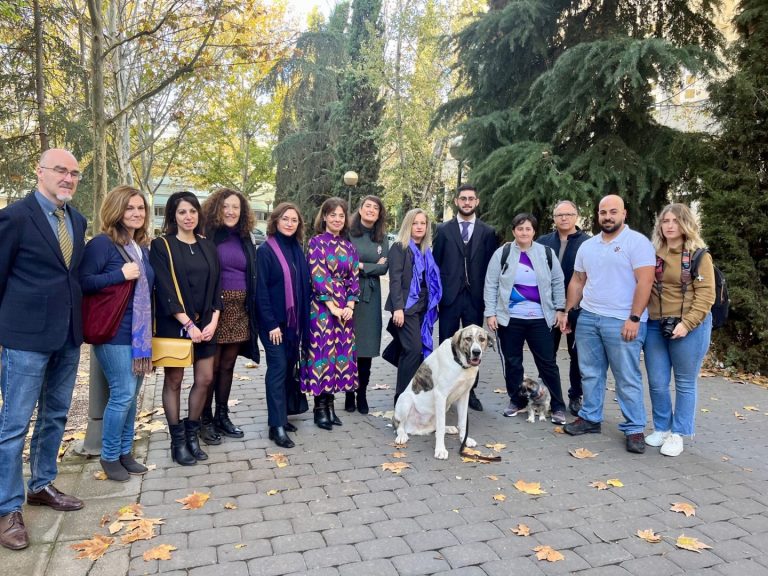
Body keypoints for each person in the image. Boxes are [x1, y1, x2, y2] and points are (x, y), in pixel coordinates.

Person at [0, 149, 87, 550]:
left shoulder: (77, 220)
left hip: (68, 336)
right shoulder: (15, 217)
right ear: (41, 173)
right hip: (25, 340)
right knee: (14, 425)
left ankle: (42, 485)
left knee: (55, 415)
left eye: (74, 173)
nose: (68, 178)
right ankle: (7, 508)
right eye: (61, 171)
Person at [560, 195, 655, 454]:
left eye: (613, 211)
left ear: (624, 213)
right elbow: (577, 281)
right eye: (603, 212)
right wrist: (569, 311)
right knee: (590, 372)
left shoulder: (637, 243)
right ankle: (590, 418)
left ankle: (635, 428)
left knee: (626, 376)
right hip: (589, 317)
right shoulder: (588, 246)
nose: (608, 216)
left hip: (623, 320)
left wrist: (634, 317)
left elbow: (645, 282)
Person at [80, 185, 155, 482]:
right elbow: (83, 282)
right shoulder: (101, 244)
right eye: (129, 208)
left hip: (139, 336)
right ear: (116, 210)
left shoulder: (140, 247)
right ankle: (109, 456)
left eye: (140, 208)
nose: (136, 213)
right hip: (113, 334)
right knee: (122, 394)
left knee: (132, 397)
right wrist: (118, 275)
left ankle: (125, 452)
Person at [150, 191, 222, 466]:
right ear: (173, 216)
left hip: (206, 325)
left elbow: (217, 286)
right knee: (174, 381)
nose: (188, 216)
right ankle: (177, 441)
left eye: (192, 211)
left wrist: (213, 320)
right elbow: (165, 289)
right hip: (176, 323)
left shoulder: (207, 245)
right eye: (182, 212)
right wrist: (188, 324)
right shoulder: (162, 245)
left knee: (204, 379)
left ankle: (193, 433)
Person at [643, 203, 715, 456]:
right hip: (655, 324)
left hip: (689, 325)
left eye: (674, 221)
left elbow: (706, 296)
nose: (669, 225)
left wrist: (687, 324)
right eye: (665, 221)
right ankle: (662, 427)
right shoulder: (652, 252)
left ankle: (679, 433)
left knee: (684, 382)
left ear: (685, 224)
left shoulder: (698, 255)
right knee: (657, 381)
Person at [484, 213, 568, 425]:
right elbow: (491, 284)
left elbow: (558, 282)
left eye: (528, 229)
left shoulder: (546, 253)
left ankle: (557, 406)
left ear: (534, 232)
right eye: (520, 229)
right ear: (514, 231)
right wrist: (491, 312)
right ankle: (517, 401)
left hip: (541, 318)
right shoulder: (502, 253)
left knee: (547, 363)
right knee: (513, 362)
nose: (524, 232)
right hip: (510, 319)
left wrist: (560, 309)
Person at [200, 188, 260, 445]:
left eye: (235, 207)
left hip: (239, 310)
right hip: (214, 309)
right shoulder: (207, 236)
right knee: (209, 370)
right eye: (225, 206)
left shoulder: (246, 238)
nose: (231, 211)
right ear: (216, 208)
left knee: (227, 367)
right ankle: (203, 419)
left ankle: (222, 416)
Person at [433, 184, 497, 411]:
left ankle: (471, 392)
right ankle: (446, 389)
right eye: (463, 198)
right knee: (450, 344)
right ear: (456, 201)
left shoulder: (488, 232)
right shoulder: (442, 230)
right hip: (450, 298)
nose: (467, 202)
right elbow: (435, 264)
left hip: (475, 299)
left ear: (477, 201)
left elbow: (491, 268)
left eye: (471, 199)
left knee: (474, 346)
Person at [301, 197, 360, 430]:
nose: (337, 219)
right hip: (322, 309)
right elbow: (317, 276)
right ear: (324, 217)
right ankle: (319, 409)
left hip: (345, 310)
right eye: (332, 214)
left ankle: (331, 406)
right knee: (322, 356)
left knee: (339, 357)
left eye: (341, 215)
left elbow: (354, 278)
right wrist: (333, 307)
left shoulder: (349, 246)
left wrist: (350, 306)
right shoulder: (316, 243)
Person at [256, 203, 311, 448]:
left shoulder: (298, 250)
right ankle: (276, 426)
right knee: (277, 369)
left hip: (293, 325)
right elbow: (261, 292)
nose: (290, 223)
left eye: (294, 220)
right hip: (274, 325)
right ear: (275, 220)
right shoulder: (266, 251)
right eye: (285, 219)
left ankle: (283, 417)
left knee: (289, 368)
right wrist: (270, 325)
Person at [536, 200, 590, 416]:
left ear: (576, 216)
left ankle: (575, 395)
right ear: (554, 218)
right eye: (559, 215)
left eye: (568, 214)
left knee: (577, 355)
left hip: (577, 308)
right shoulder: (542, 242)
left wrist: (569, 308)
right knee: (546, 354)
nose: (564, 218)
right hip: (548, 309)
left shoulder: (587, 243)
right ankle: (546, 393)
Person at [386, 208, 442, 406]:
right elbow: (395, 280)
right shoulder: (399, 248)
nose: (419, 227)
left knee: (409, 352)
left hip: (423, 308)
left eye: (423, 223)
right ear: (408, 225)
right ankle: (401, 401)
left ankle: (415, 399)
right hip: (406, 308)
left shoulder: (426, 250)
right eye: (415, 223)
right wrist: (398, 308)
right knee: (413, 350)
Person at [346, 195, 389, 414]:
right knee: (349, 345)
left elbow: (384, 268)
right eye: (368, 206)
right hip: (349, 296)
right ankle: (348, 393)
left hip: (371, 298)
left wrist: (361, 265)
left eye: (376, 208)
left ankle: (361, 393)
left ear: (380, 213)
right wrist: (369, 265)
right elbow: (346, 263)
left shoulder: (381, 238)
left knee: (367, 347)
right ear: (360, 209)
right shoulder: (349, 233)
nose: (372, 210)